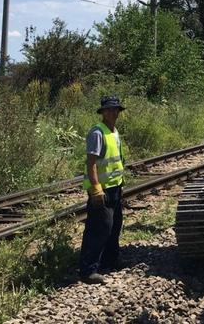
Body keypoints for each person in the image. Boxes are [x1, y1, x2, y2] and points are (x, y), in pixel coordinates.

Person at [79, 96, 126, 284]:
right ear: (103, 112)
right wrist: (96, 189)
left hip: (115, 188)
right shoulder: (98, 133)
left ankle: (110, 261)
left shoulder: (113, 132)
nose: (113, 113)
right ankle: (88, 270)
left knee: (114, 226)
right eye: (109, 110)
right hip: (102, 190)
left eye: (116, 110)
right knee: (99, 230)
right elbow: (91, 163)